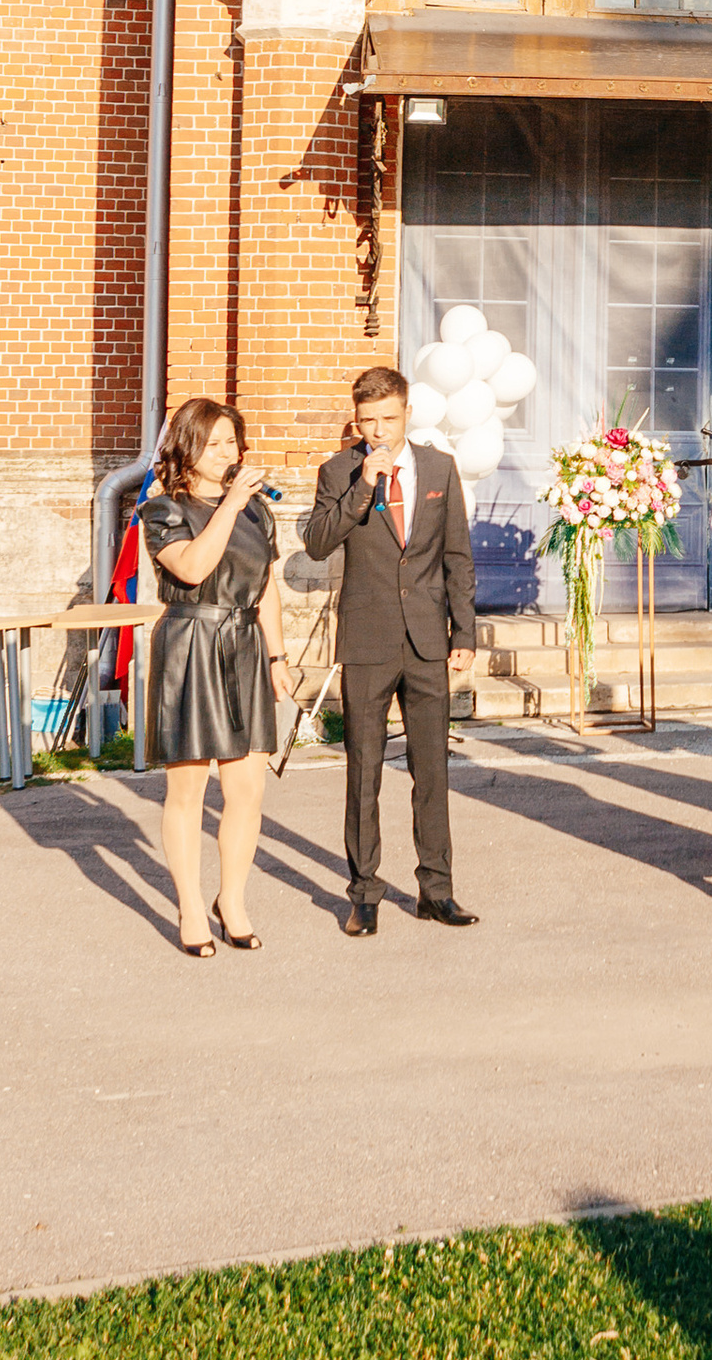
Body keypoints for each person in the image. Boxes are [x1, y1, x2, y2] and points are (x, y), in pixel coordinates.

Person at [304, 362, 478, 939]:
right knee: (365, 771)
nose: (378, 430)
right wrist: (361, 488)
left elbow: (456, 557)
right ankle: (365, 894)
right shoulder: (339, 471)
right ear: (357, 420)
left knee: (432, 770)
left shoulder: (439, 469)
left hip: (428, 640)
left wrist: (464, 633)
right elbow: (317, 539)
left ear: (407, 413)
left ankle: (437, 890)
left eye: (388, 418)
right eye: (367, 420)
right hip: (369, 639)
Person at [142, 394, 285, 958]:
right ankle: (191, 908)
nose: (228, 452)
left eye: (233, 442)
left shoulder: (257, 510)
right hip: (192, 643)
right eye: (216, 443)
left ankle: (234, 899)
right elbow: (195, 566)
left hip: (244, 642)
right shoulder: (163, 511)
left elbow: (266, 585)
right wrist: (229, 505)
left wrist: (278, 659)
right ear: (189, 448)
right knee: (189, 789)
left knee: (247, 789)